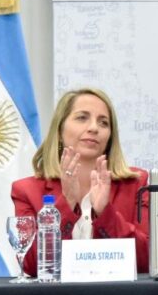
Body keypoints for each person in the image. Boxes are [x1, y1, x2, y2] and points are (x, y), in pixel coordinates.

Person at [11, 88, 150, 274]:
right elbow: (31, 266)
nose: (94, 128)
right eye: (82, 118)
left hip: (118, 292)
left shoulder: (136, 184)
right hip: (57, 293)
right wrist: (66, 204)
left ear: (110, 137)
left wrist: (105, 213)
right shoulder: (26, 190)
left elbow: (148, 260)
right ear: (60, 130)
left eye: (103, 122)